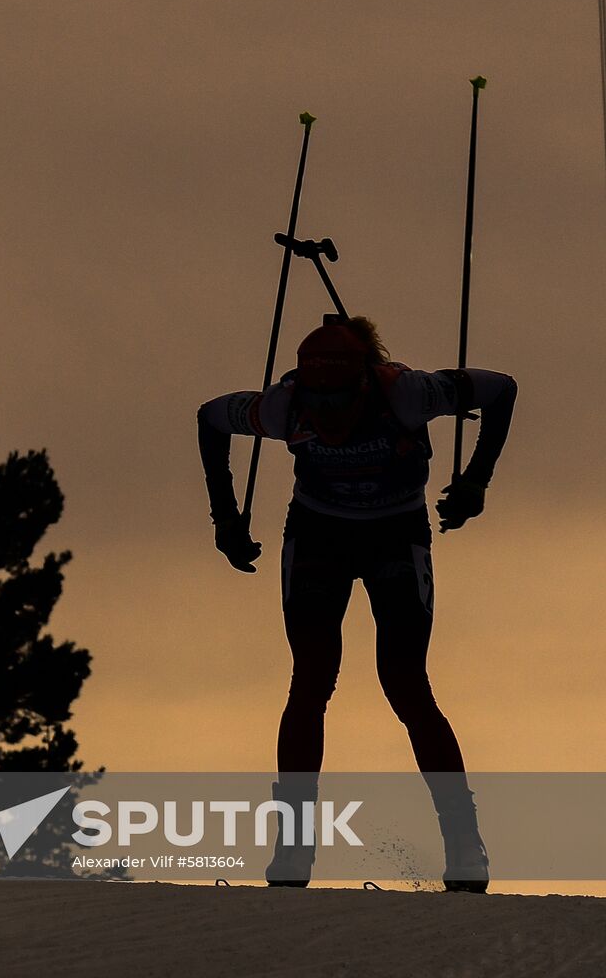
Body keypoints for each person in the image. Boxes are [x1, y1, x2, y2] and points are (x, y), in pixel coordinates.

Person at [196, 315, 517, 892]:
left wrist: (477, 481)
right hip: (320, 534)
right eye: (319, 401)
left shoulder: (411, 392)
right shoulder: (282, 406)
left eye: (341, 399)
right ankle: (293, 844)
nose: (330, 415)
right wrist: (224, 516)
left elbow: (501, 388)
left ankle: (464, 842)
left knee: (404, 683)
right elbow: (209, 418)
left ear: (365, 383)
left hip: (395, 534)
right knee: (312, 679)